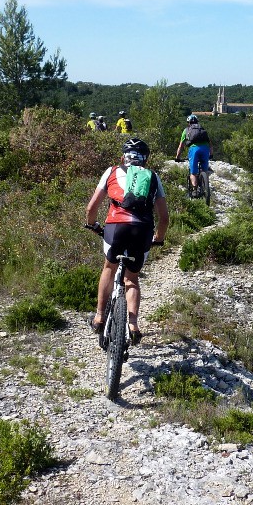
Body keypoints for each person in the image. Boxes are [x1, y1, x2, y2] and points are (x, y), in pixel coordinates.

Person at [85, 138, 168, 344]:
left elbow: (91, 208)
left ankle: (99, 317)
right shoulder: (153, 177)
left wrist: (93, 224)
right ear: (145, 160)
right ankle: (133, 325)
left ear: (123, 157)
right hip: (143, 230)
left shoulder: (111, 171)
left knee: (109, 268)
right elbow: (164, 217)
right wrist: (158, 238)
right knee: (132, 278)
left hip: (116, 227)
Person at [175, 114, 211, 195]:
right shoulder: (202, 129)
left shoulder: (186, 130)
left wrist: (177, 157)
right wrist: (211, 154)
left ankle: (195, 190)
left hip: (194, 149)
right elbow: (210, 143)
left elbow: (181, 145)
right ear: (197, 122)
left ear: (188, 123)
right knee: (205, 170)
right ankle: (205, 186)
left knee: (193, 172)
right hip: (205, 149)